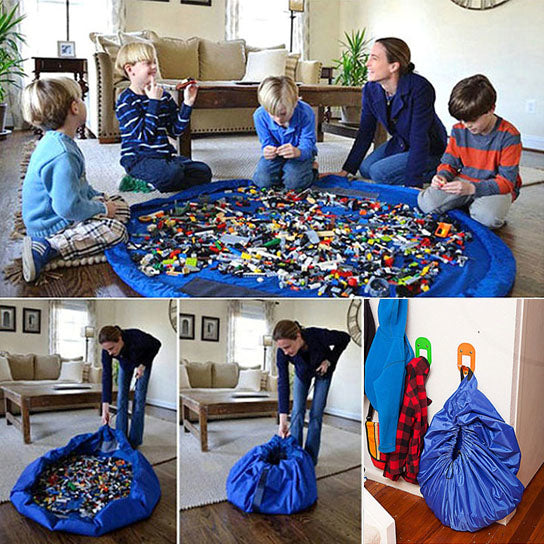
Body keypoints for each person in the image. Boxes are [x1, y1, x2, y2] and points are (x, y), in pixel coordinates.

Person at [20, 77, 130, 282]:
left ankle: (87, 225)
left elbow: (80, 185)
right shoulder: (63, 154)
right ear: (74, 108)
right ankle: (48, 247)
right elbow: (67, 207)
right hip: (51, 224)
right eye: (81, 98)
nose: (82, 102)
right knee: (117, 231)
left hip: (63, 209)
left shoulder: (60, 142)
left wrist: (99, 199)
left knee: (120, 204)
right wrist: (103, 210)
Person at [326, 37, 447, 187]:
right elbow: (365, 132)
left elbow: (419, 138)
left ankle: (439, 169)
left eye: (374, 58)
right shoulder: (371, 89)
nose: (367, 63)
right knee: (365, 169)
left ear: (393, 66)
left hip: (429, 148)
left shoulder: (420, 88)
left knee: (379, 173)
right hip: (401, 142)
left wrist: (413, 185)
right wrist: (346, 170)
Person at [418, 74, 522, 228]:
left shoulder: (509, 135)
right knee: (426, 203)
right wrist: (441, 176)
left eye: (472, 120)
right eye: (461, 120)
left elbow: (507, 182)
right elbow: (449, 163)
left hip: (496, 186)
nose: (466, 125)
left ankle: (474, 204)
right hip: (465, 180)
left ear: (491, 109)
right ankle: (469, 203)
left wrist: (473, 189)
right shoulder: (458, 129)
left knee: (487, 218)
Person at [115, 42, 212, 192]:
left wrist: (187, 103)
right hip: (138, 159)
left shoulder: (164, 97)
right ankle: (135, 181)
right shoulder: (126, 101)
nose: (154, 67)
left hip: (164, 156)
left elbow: (175, 131)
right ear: (130, 69)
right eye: (148, 63)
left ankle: (165, 177)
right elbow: (144, 135)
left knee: (204, 171)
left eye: (154, 62)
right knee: (172, 173)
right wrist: (154, 102)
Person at [273, 320, 350, 465]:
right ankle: (295, 456)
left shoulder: (317, 335)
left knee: (316, 415)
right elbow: (283, 383)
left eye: (288, 347)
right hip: (302, 374)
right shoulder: (282, 352)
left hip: (323, 373)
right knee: (297, 411)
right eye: (282, 349)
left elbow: (345, 337)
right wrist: (282, 420)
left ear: (298, 336)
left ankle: (310, 459)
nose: (285, 352)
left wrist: (329, 360)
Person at [99, 325, 161, 449]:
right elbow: (106, 375)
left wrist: (143, 365)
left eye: (111, 348)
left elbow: (156, 344)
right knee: (122, 396)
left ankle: (135, 441)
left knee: (139, 399)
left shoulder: (136, 337)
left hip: (143, 362)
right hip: (125, 363)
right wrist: (105, 405)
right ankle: (121, 438)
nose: (110, 353)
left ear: (120, 339)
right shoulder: (107, 351)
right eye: (107, 350)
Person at [253, 76, 318, 190]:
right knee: (261, 181)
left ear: (295, 103)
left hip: (300, 153)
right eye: (271, 114)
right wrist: (267, 150)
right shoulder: (260, 115)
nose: (277, 119)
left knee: (294, 184)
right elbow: (266, 142)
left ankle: (313, 170)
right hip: (276, 155)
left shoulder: (306, 113)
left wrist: (298, 152)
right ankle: (284, 171)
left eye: (283, 114)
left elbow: (308, 144)